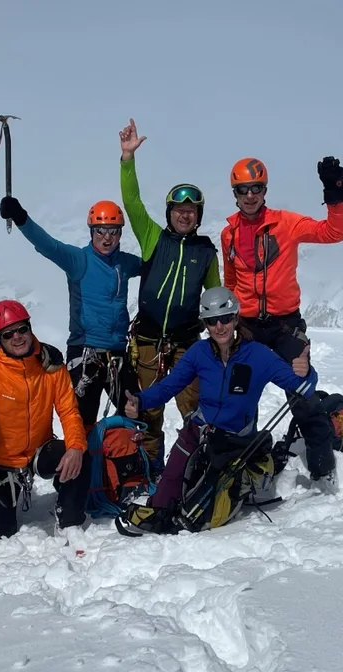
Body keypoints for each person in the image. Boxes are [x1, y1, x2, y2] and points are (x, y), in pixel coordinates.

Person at [123, 287, 315, 529]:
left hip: (235, 442)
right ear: (206, 324)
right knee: (163, 497)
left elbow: (302, 389)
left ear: (236, 318)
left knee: (202, 511)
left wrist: (306, 371)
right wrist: (141, 401)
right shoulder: (199, 353)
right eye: (212, 321)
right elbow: (168, 387)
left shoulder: (258, 355)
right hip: (198, 431)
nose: (220, 326)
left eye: (225, 319)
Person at [218, 154, 343, 486]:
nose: (250, 196)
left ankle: (323, 472)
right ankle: (241, 467)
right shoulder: (229, 234)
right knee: (238, 398)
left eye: (256, 188)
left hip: (285, 327)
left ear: (265, 190)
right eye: (243, 189)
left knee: (304, 395)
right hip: (247, 328)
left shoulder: (286, 223)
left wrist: (334, 195)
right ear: (234, 193)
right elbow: (232, 282)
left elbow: (334, 233)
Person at [118, 117, 222, 469]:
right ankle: (149, 471)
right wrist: (128, 159)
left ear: (198, 216)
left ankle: (193, 466)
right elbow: (132, 203)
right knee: (149, 408)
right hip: (147, 341)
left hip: (188, 344)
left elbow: (215, 298)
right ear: (170, 213)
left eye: (190, 210)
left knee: (193, 407)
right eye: (179, 210)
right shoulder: (153, 237)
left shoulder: (206, 252)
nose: (184, 215)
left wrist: (225, 336)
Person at [0, 196, 143, 434]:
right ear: (91, 231)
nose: (107, 237)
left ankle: (120, 468)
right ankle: (81, 470)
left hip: (118, 354)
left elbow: (154, 266)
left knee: (134, 415)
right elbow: (48, 245)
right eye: (101, 230)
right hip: (86, 353)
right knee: (80, 424)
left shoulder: (125, 263)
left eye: (113, 231)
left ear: (120, 233)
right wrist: (20, 217)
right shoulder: (79, 260)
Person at [0, 299, 91, 541]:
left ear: (30, 328)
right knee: (0, 534)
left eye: (22, 329)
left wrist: (75, 447)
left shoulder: (50, 367)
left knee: (81, 454)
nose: (17, 337)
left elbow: (69, 411)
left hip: (39, 451)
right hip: (1, 462)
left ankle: (69, 519)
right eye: (8, 334)